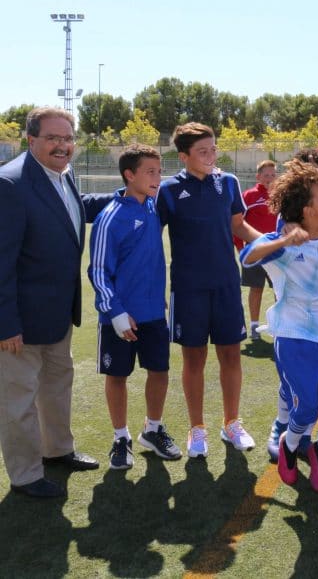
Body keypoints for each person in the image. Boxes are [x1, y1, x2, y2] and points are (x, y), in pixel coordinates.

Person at [0, 107, 107, 497]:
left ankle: (56, 450)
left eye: (68, 138)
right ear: (31, 140)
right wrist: (5, 324)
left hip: (58, 314)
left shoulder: (65, 174)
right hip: (20, 324)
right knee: (18, 402)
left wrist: (127, 191)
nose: (63, 145)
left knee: (57, 387)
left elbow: (73, 208)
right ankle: (26, 475)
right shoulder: (9, 184)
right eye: (53, 138)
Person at [240, 161, 318, 493]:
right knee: (306, 406)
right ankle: (290, 449)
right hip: (294, 337)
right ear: (308, 211)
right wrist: (281, 243)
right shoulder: (284, 244)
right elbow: (247, 258)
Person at [158, 122, 263, 458]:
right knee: (194, 359)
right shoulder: (169, 190)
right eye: (202, 151)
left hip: (226, 284)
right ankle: (197, 428)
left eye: (214, 149)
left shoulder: (228, 182)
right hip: (188, 288)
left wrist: (270, 244)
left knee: (231, 355)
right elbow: (150, 234)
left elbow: (238, 225)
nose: (211, 155)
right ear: (184, 155)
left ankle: (231, 423)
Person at [89, 144, 182, 469]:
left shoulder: (153, 206)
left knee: (159, 371)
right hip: (120, 317)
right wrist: (115, 313)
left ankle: (152, 430)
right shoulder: (110, 217)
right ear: (130, 175)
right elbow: (98, 270)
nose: (159, 177)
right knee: (118, 376)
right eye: (151, 172)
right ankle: (120, 437)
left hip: (154, 313)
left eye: (159, 171)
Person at [235, 160, 278, 341]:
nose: (269, 178)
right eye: (266, 175)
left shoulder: (281, 196)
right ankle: (254, 326)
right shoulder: (249, 196)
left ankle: (279, 325)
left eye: (273, 175)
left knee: (279, 289)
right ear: (258, 177)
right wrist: (239, 248)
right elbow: (237, 224)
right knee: (256, 288)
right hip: (255, 251)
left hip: (278, 252)